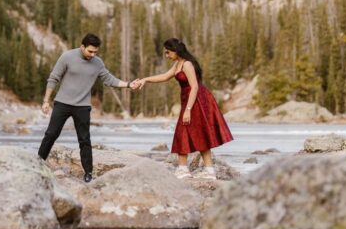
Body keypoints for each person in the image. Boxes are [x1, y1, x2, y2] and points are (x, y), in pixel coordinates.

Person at [38, 33, 135, 182]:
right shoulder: (67, 57)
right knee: (51, 134)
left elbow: (109, 80)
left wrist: (129, 84)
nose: (93, 55)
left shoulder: (98, 63)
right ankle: (38, 164)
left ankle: (88, 173)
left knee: (84, 140)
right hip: (62, 103)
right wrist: (46, 101)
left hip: (82, 106)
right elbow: (53, 78)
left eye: (95, 52)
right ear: (82, 47)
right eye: (90, 51)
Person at [132, 37, 233, 179]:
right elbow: (165, 76)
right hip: (190, 100)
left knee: (184, 131)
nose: (166, 55)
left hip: (197, 100)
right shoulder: (178, 64)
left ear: (175, 51)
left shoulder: (187, 64)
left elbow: (195, 87)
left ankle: (184, 169)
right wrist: (145, 79)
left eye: (168, 52)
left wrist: (188, 110)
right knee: (197, 133)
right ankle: (205, 170)